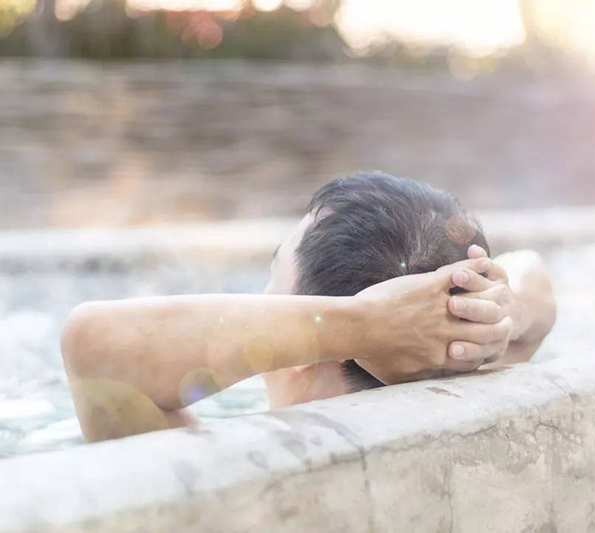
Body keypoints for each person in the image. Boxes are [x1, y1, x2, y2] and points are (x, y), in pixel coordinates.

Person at [61, 173, 556, 442]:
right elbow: (539, 282)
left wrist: (365, 323)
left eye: (274, 276)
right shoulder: (468, 416)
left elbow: (96, 346)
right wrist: (492, 304)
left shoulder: (243, 490)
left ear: (300, 340)